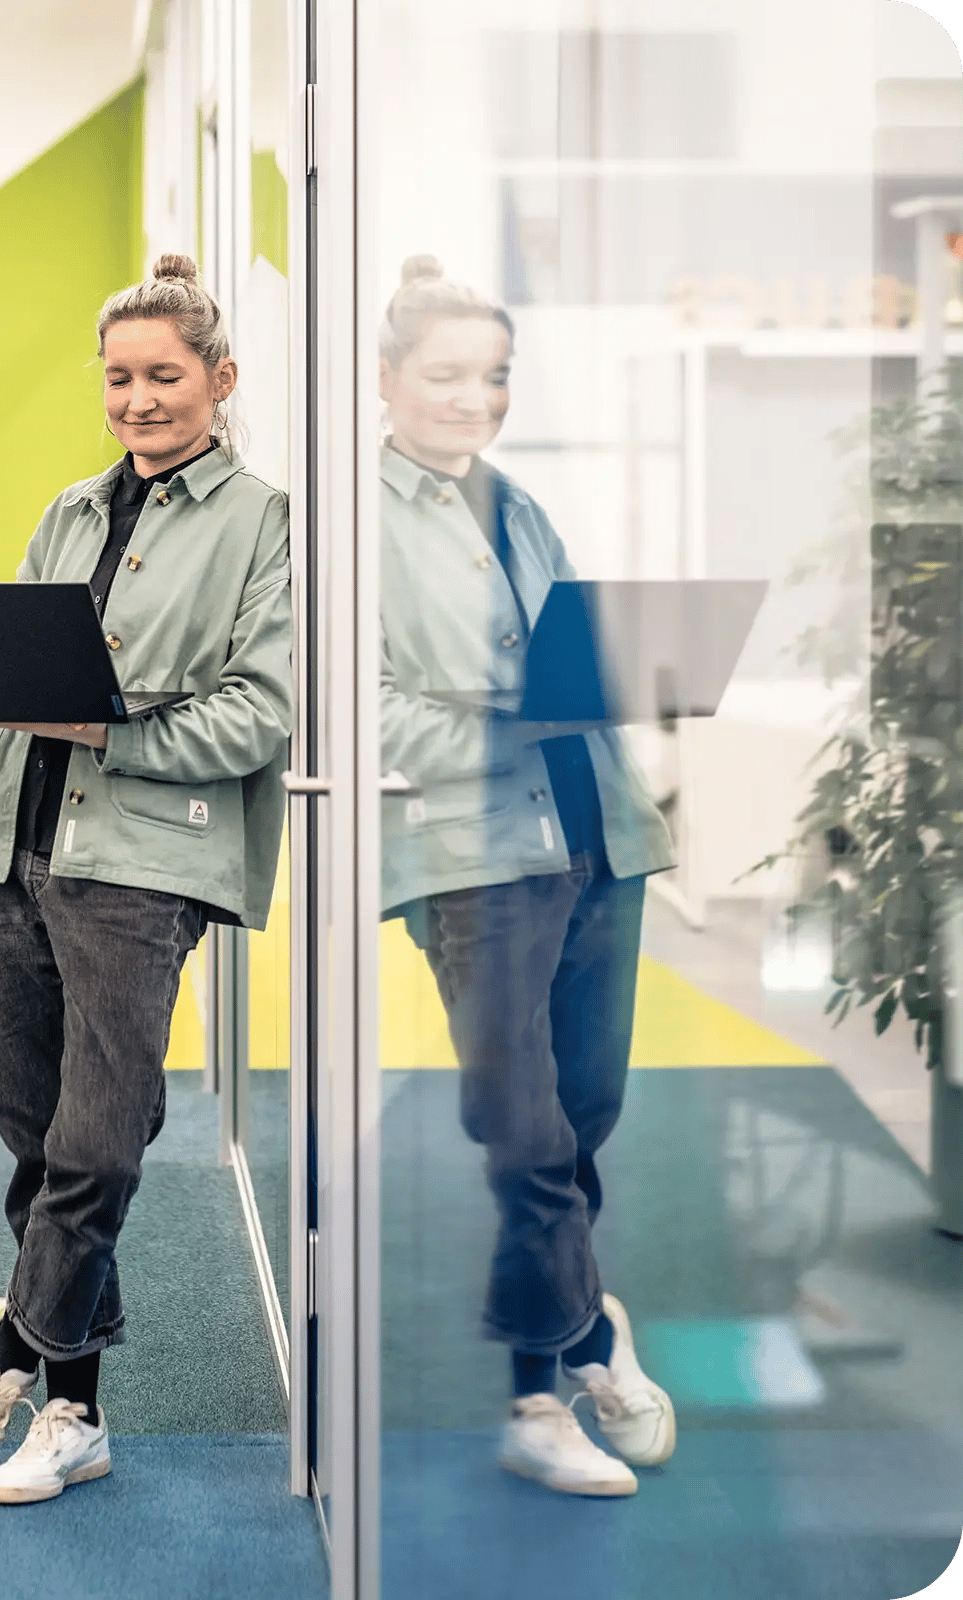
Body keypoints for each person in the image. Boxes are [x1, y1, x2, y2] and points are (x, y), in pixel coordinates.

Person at [0, 253, 293, 1505]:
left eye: (164, 375)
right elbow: (22, 655)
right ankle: (76, 1408)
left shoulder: (270, 524)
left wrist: (109, 729)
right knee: (36, 1142)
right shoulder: (70, 511)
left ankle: (15, 1343)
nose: (139, 400)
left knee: (105, 1139)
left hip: (143, 863)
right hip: (12, 841)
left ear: (220, 379)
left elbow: (262, 711)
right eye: (120, 378)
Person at [377, 255, 677, 1498]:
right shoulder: (344, 524)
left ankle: (566, 1347)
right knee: (522, 1131)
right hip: (473, 857)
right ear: (385, 378)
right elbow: (357, 711)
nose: (472, 398)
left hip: (599, 840)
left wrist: (642, 673)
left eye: (492, 376)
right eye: (446, 374)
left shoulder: (520, 506)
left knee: (582, 1116)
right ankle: (558, 1376)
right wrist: (512, 724)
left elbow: (578, 657)